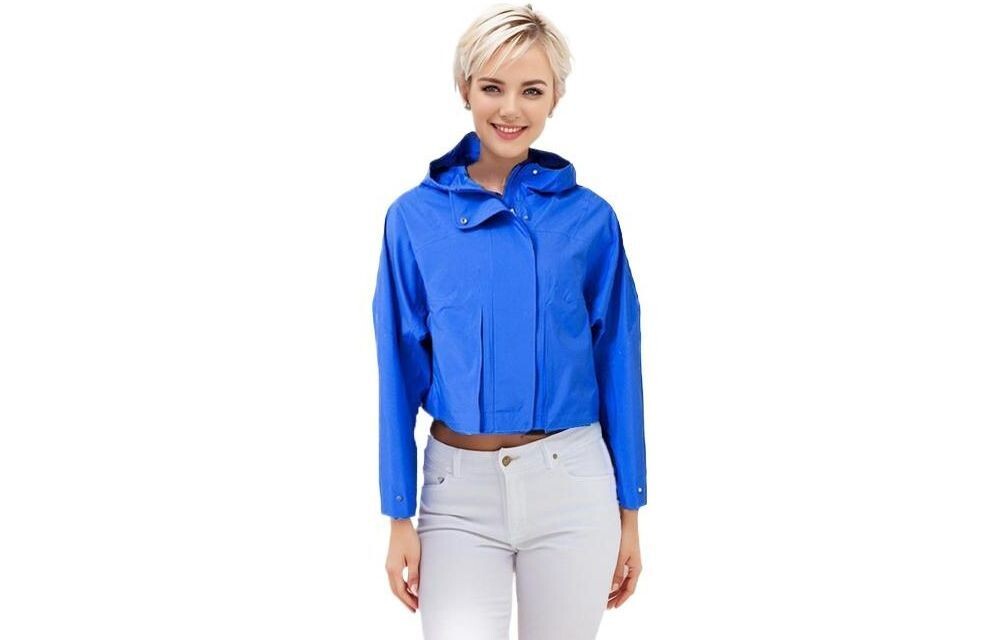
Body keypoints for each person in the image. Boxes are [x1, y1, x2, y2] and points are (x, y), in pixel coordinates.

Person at [372, 4, 646, 638]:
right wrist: (397, 516)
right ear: (464, 87)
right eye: (493, 87)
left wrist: (630, 511)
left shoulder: (591, 220)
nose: (511, 109)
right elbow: (397, 368)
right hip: (457, 494)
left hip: (572, 484)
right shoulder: (413, 219)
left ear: (556, 97)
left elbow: (619, 363)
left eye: (532, 90)